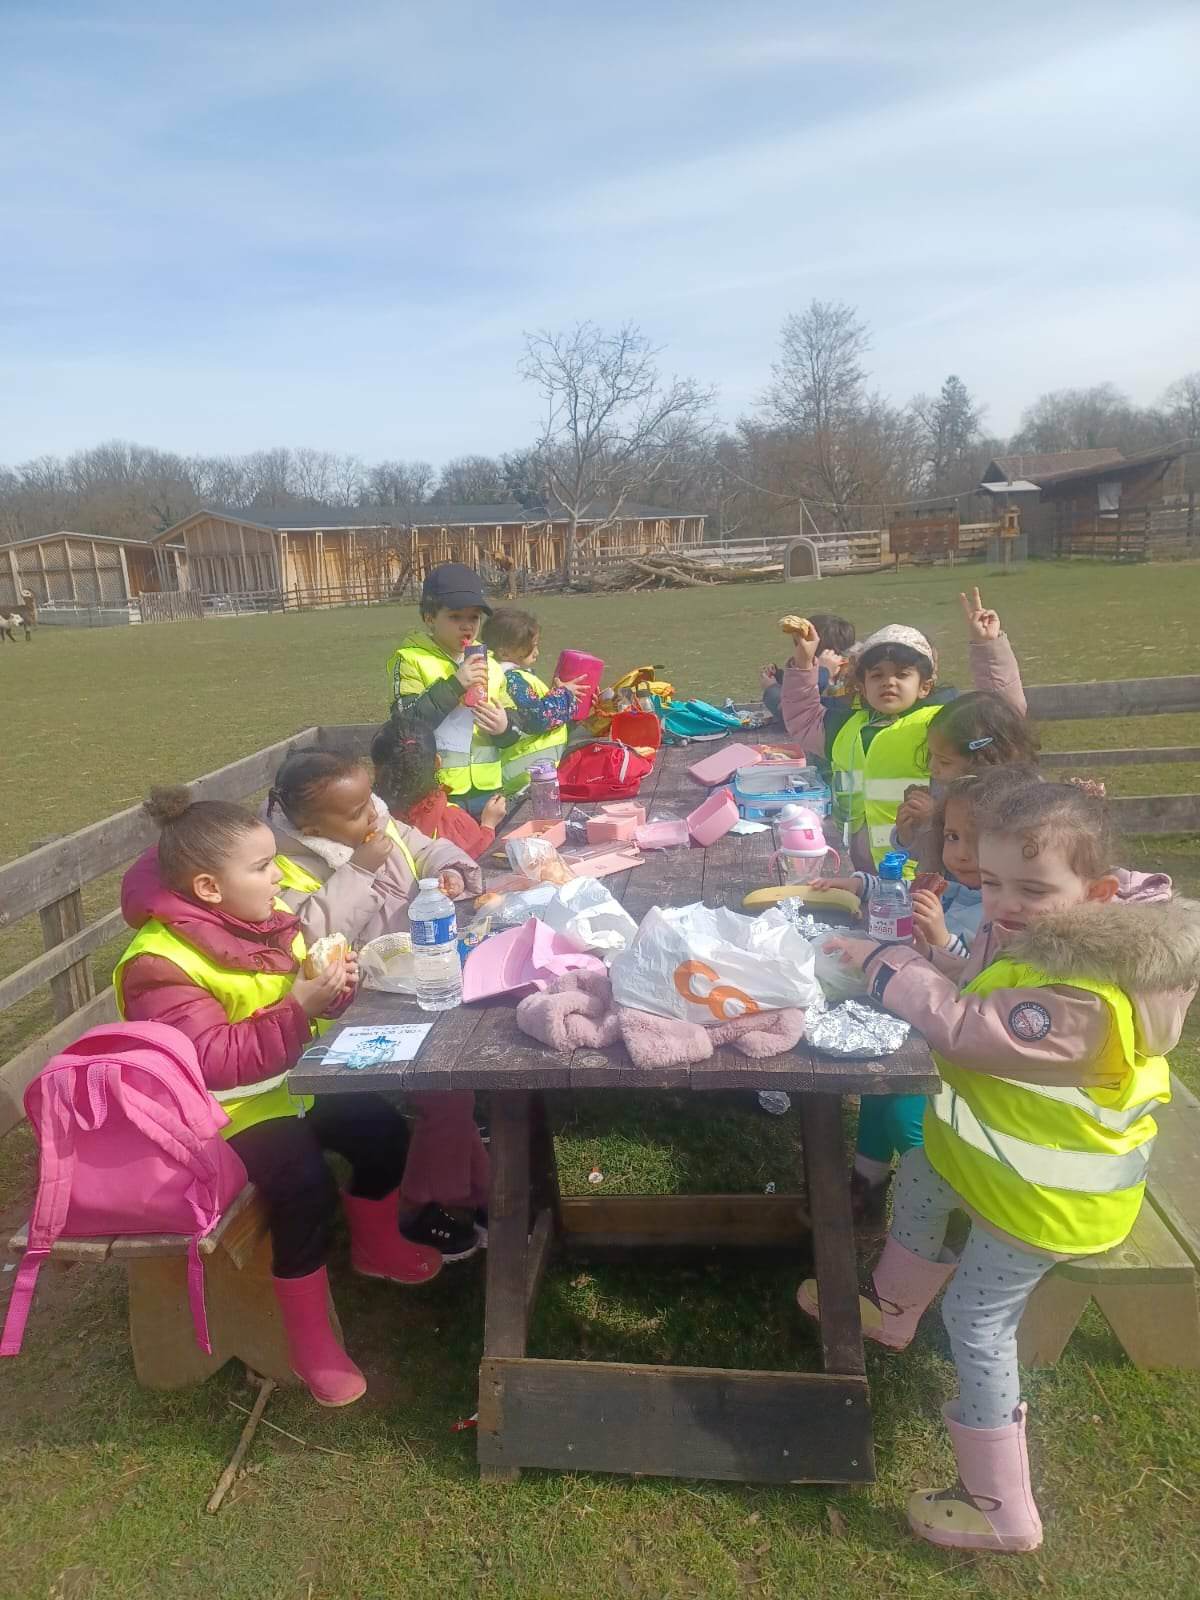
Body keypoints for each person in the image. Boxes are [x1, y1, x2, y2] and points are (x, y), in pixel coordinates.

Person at [799, 776, 1200, 1553]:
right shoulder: (1040, 942)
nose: (1006, 903)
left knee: (977, 1322)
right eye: (990, 885)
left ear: (1100, 891)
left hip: (1048, 1206)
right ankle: (892, 1310)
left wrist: (889, 967)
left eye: (1032, 887)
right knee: (922, 1174)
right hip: (992, 1165)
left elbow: (971, 1031)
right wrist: (936, 963)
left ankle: (999, 1508)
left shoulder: (1081, 991)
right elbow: (977, 988)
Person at [115, 789, 443, 1410]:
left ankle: (376, 1248)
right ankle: (308, 1340)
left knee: (382, 1131)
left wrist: (332, 990)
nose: (279, 878)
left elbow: (293, 999)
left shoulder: (261, 921)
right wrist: (300, 1009)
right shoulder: (159, 962)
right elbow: (208, 1061)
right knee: (302, 1189)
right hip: (219, 1114)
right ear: (210, 888)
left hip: (288, 1082)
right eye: (264, 868)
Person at [265, 747, 490, 1262]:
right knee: (446, 1088)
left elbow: (419, 846)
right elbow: (305, 934)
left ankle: (477, 1192)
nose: (372, 815)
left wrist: (449, 867)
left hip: (412, 974)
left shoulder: (371, 819)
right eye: (354, 812)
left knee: (456, 1088)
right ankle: (429, 1206)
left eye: (371, 801)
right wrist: (361, 871)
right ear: (305, 823)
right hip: (351, 1005)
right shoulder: (277, 862)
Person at [781, 588, 1024, 874]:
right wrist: (804, 662)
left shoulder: (937, 724)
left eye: (902, 674)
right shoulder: (843, 727)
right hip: (857, 871)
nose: (889, 682)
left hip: (926, 871)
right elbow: (802, 716)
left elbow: (1002, 716)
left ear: (925, 686)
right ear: (862, 685)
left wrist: (988, 646)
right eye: (877, 675)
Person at [387, 561, 521, 814]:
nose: (467, 625)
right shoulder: (411, 659)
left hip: (488, 792)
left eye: (474, 617)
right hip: (438, 793)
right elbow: (406, 724)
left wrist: (505, 727)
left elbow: (514, 726)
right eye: (455, 616)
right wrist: (455, 685)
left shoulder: (491, 665)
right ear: (429, 618)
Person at [894, 686, 1040, 850]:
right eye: (931, 755)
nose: (932, 767)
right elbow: (926, 854)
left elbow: (976, 853)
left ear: (986, 760)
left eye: (945, 762)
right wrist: (906, 834)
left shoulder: (1017, 802)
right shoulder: (943, 789)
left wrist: (934, 820)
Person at [371, 714, 505, 861]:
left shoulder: (367, 819)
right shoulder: (453, 821)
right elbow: (477, 857)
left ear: (376, 770)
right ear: (437, 762)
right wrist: (488, 825)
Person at [480, 606, 583, 794]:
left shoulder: (515, 677)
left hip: (535, 775)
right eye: (530, 646)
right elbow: (537, 718)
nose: (536, 652)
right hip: (525, 778)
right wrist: (565, 695)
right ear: (504, 653)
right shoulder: (510, 679)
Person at [760, 612, 856, 727]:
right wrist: (780, 677)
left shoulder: (844, 683)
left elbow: (792, 715)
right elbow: (800, 689)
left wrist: (771, 689)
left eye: (801, 648)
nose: (798, 653)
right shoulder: (828, 675)